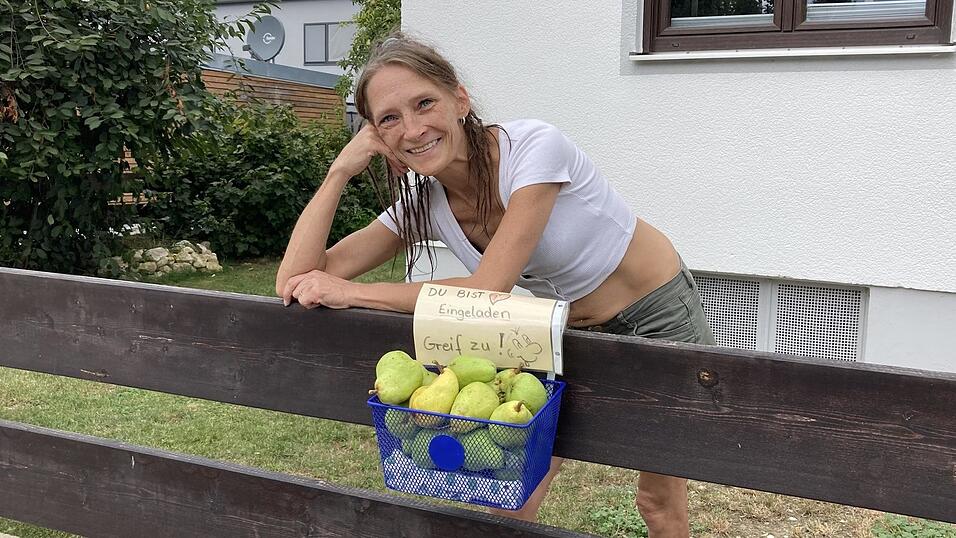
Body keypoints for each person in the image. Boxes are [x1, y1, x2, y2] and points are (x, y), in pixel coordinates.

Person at [275, 32, 715, 538]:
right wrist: (339, 172)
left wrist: (351, 293)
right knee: (512, 490)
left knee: (657, 501)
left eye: (425, 103)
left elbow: (488, 290)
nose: (413, 129)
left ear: (459, 99)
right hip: (559, 329)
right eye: (389, 118)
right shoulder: (426, 203)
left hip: (656, 316)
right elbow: (294, 279)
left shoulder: (533, 149)